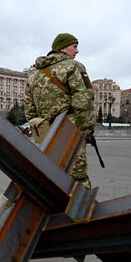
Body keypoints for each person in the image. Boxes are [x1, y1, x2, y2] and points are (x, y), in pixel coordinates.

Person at [24, 33, 95, 189]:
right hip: (70, 129)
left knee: (51, 172)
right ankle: (78, 210)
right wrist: (87, 130)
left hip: (45, 132)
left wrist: (40, 128)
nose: (77, 51)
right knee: (77, 176)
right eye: (74, 46)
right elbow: (83, 101)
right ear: (63, 47)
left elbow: (29, 109)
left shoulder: (34, 75)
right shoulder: (74, 66)